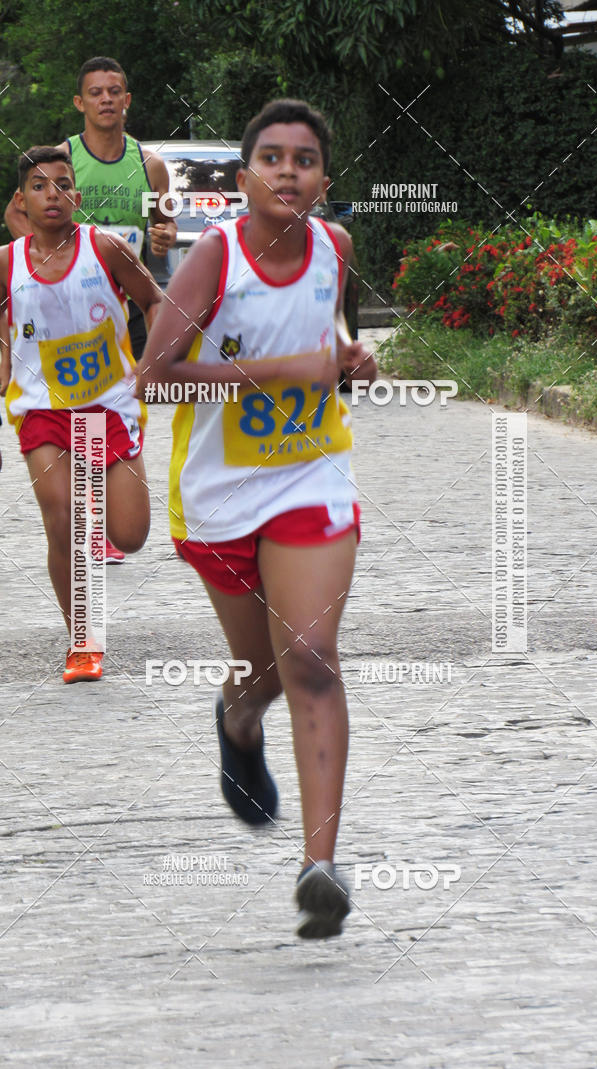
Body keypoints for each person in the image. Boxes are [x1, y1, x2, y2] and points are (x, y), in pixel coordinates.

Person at [139, 99, 377, 939]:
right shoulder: (216, 255)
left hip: (311, 476)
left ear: (323, 179)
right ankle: (239, 720)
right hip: (221, 494)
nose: (288, 171)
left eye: (304, 160)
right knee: (264, 669)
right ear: (244, 179)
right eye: (271, 158)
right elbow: (154, 378)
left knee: (309, 655)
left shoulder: (336, 247)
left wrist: (349, 361)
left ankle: (320, 868)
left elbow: (331, 339)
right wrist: (282, 371)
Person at [3, 56, 175, 562]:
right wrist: (51, 267)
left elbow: (162, 222)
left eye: (114, 91)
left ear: (127, 100)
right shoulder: (62, 156)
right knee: (67, 410)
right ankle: (86, 518)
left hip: (120, 302)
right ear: (80, 103)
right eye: (96, 92)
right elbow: (17, 213)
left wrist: (163, 236)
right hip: (61, 307)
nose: (106, 100)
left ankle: (111, 481)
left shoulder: (150, 164)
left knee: (110, 402)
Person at [0, 146, 162, 682]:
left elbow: (154, 301)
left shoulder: (106, 248)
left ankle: (100, 500)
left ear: (78, 195)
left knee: (130, 534)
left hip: (107, 407)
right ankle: (82, 641)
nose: (53, 195)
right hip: (42, 409)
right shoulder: (7, 262)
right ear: (21, 200)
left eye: (63, 185)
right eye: (39, 186)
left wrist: (153, 364)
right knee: (64, 518)